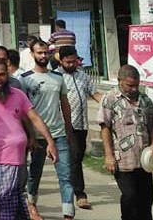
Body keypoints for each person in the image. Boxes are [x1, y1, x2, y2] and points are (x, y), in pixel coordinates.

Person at [0, 58, 60, 220]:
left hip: (19, 157)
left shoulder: (18, 95)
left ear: (8, 74)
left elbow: (35, 118)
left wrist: (50, 142)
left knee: (16, 197)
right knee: (6, 197)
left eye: (2, 74)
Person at [21, 39, 75, 220]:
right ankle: (31, 205)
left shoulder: (58, 78)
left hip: (58, 134)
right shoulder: (25, 79)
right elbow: (23, 111)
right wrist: (30, 136)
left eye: (46, 53)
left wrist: (68, 129)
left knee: (66, 176)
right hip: (36, 136)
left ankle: (68, 213)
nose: (43, 56)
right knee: (35, 174)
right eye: (39, 53)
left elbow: (65, 105)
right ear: (32, 54)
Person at [99, 65, 153, 220]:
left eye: (136, 85)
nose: (134, 89)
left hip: (144, 161)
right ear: (120, 81)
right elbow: (105, 127)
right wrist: (108, 155)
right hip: (122, 160)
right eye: (130, 85)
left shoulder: (145, 100)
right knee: (130, 196)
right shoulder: (110, 99)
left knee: (146, 199)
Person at [58, 44, 102, 210]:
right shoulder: (57, 77)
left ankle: (68, 181)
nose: (71, 64)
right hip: (66, 126)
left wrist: (110, 103)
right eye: (68, 62)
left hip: (82, 125)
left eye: (74, 61)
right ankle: (80, 194)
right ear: (61, 61)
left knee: (77, 157)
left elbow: (95, 94)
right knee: (75, 158)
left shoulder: (83, 76)